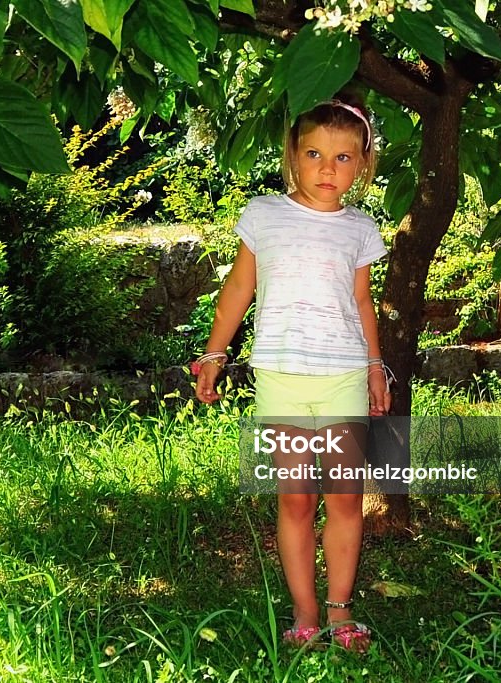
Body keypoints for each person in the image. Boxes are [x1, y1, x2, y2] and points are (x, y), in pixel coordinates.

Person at [192, 92, 391, 652]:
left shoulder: (359, 229)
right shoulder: (263, 216)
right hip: (280, 376)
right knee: (297, 499)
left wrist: (376, 367)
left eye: (344, 157)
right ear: (292, 156)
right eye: (314, 154)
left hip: (344, 376)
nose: (328, 168)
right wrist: (214, 353)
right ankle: (305, 614)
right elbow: (239, 287)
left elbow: (363, 302)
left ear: (364, 164)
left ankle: (340, 613)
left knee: (345, 498)